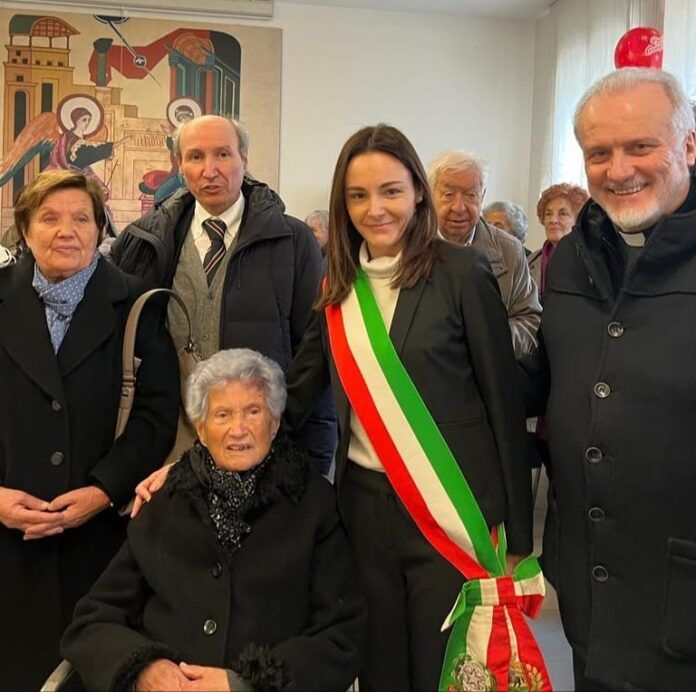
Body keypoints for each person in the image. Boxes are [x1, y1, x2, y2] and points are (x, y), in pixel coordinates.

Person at [283, 124, 533, 690]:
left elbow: (503, 404)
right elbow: (296, 391)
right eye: (358, 195)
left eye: (391, 191)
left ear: (419, 192)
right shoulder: (337, 284)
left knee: (445, 666)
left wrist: (519, 538)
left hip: (451, 505)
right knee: (380, 667)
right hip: (364, 509)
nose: (375, 209)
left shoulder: (462, 272)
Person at [519, 67, 696, 690]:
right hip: (587, 591)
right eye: (599, 153)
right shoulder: (574, 254)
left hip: (679, 598)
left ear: (689, 145)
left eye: (640, 146)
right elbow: (551, 376)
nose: (619, 170)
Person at [61, 348, 365, 692]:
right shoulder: (164, 503)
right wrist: (143, 668)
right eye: (222, 415)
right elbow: (92, 621)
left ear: (275, 423)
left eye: (253, 411)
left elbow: (342, 635)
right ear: (201, 430)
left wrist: (245, 683)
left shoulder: (314, 504)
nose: (238, 429)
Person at [0, 170, 179, 691]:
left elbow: (155, 415)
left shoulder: (138, 305)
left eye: (82, 218)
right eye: (49, 218)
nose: (66, 231)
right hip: (9, 536)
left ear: (101, 228)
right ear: (25, 229)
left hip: (100, 540)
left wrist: (104, 491)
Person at [111, 115, 335, 473]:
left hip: (262, 449)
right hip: (170, 452)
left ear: (244, 159)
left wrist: (315, 461)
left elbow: (315, 355)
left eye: (223, 154)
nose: (209, 170)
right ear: (179, 164)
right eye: (195, 157)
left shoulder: (293, 242)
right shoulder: (145, 242)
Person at [428, 151, 541, 356]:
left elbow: (530, 319)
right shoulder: (411, 246)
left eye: (471, 195)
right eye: (448, 194)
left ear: (483, 196)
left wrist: (488, 344)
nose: (459, 207)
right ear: (431, 195)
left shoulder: (509, 250)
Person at [528, 182, 589, 301]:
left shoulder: (590, 260)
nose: (553, 220)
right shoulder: (530, 261)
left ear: (579, 220)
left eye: (563, 214)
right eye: (548, 214)